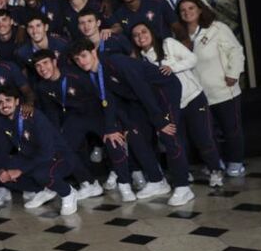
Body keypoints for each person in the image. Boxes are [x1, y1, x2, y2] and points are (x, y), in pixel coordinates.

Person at [69, 38, 194, 205]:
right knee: (134, 135)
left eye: (83, 56)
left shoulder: (116, 62)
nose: (81, 61)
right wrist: (114, 127)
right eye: (77, 59)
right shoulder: (95, 74)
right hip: (139, 101)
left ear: (93, 52)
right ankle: (157, 181)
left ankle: (183, 186)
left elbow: (142, 89)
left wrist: (160, 121)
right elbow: (112, 101)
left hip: (162, 93)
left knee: (168, 134)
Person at [32, 50, 135, 202]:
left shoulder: (76, 75)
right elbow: (52, 113)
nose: (42, 68)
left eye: (45, 63)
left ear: (54, 62)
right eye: (38, 66)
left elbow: (106, 98)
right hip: (75, 117)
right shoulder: (42, 87)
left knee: (114, 141)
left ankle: (125, 184)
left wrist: (112, 126)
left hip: (98, 113)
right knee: (63, 148)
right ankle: (89, 183)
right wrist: (55, 136)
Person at [130, 22, 224, 187]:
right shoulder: (139, 61)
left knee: (203, 138)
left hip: (193, 98)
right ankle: (184, 173)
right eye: (136, 35)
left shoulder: (168, 44)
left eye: (143, 32)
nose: (141, 36)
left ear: (151, 32)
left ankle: (215, 170)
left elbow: (192, 59)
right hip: (170, 107)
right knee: (177, 143)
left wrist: (171, 67)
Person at [178, 0, 246, 177]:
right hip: (198, 95)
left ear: (200, 9)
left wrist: (233, 73)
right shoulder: (180, 36)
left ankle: (236, 162)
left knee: (231, 129)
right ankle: (216, 163)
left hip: (223, 89)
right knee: (207, 134)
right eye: (183, 10)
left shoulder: (217, 28)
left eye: (191, 8)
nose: (187, 12)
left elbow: (236, 51)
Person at [0, 86, 79, 215]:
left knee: (42, 174)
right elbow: (2, 150)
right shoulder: (2, 122)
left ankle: (68, 193)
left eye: (8, 100)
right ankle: (44, 189)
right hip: (32, 157)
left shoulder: (33, 116)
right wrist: (1, 170)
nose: (4, 105)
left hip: (58, 157)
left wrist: (20, 170)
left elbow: (47, 153)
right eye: (0, 102)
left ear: (17, 102)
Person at [110, 0, 179, 40]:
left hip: (166, 48)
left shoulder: (158, 3)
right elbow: (117, 30)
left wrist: (185, 41)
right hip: (142, 51)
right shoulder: (118, 13)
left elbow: (176, 26)